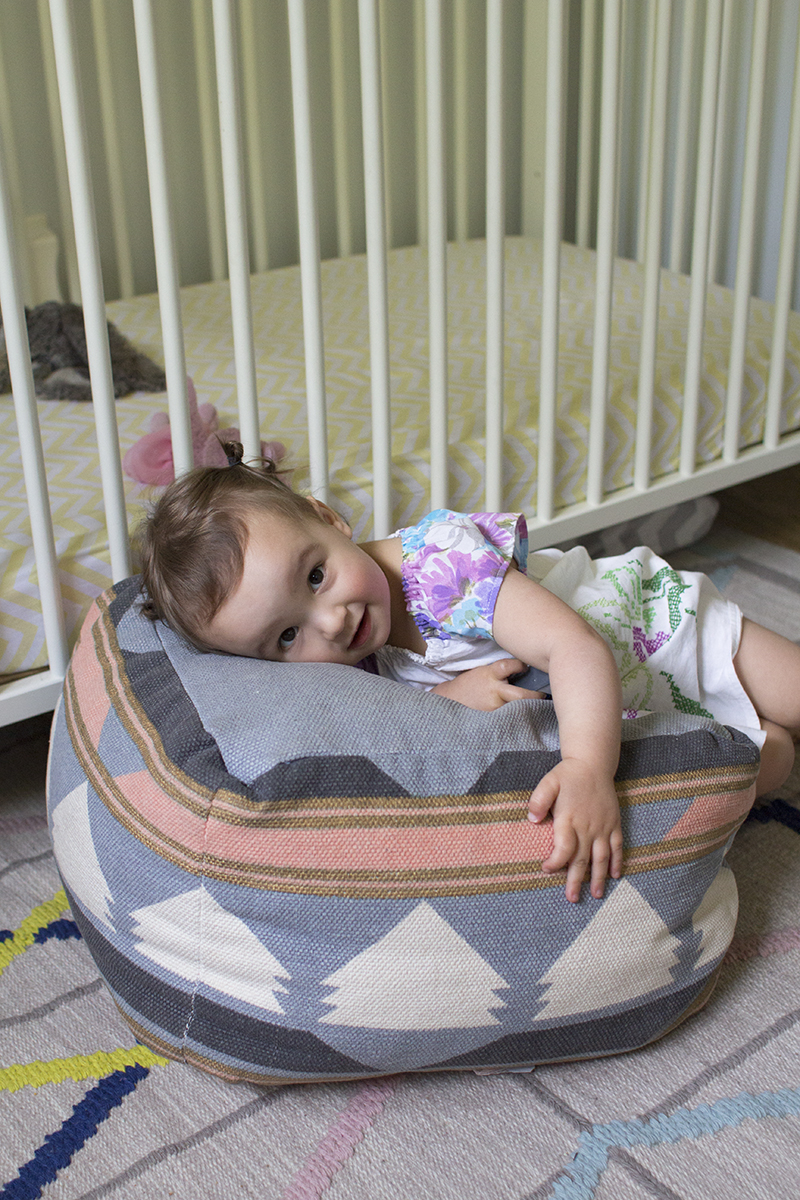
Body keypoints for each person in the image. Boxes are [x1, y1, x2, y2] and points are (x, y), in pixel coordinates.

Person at [138, 454, 800, 904]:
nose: (331, 621)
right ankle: (751, 741)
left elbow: (576, 647)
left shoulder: (439, 566)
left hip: (658, 634)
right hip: (626, 713)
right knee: (760, 766)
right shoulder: (343, 668)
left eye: (315, 575)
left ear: (329, 518)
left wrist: (587, 771)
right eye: (286, 636)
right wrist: (445, 702)